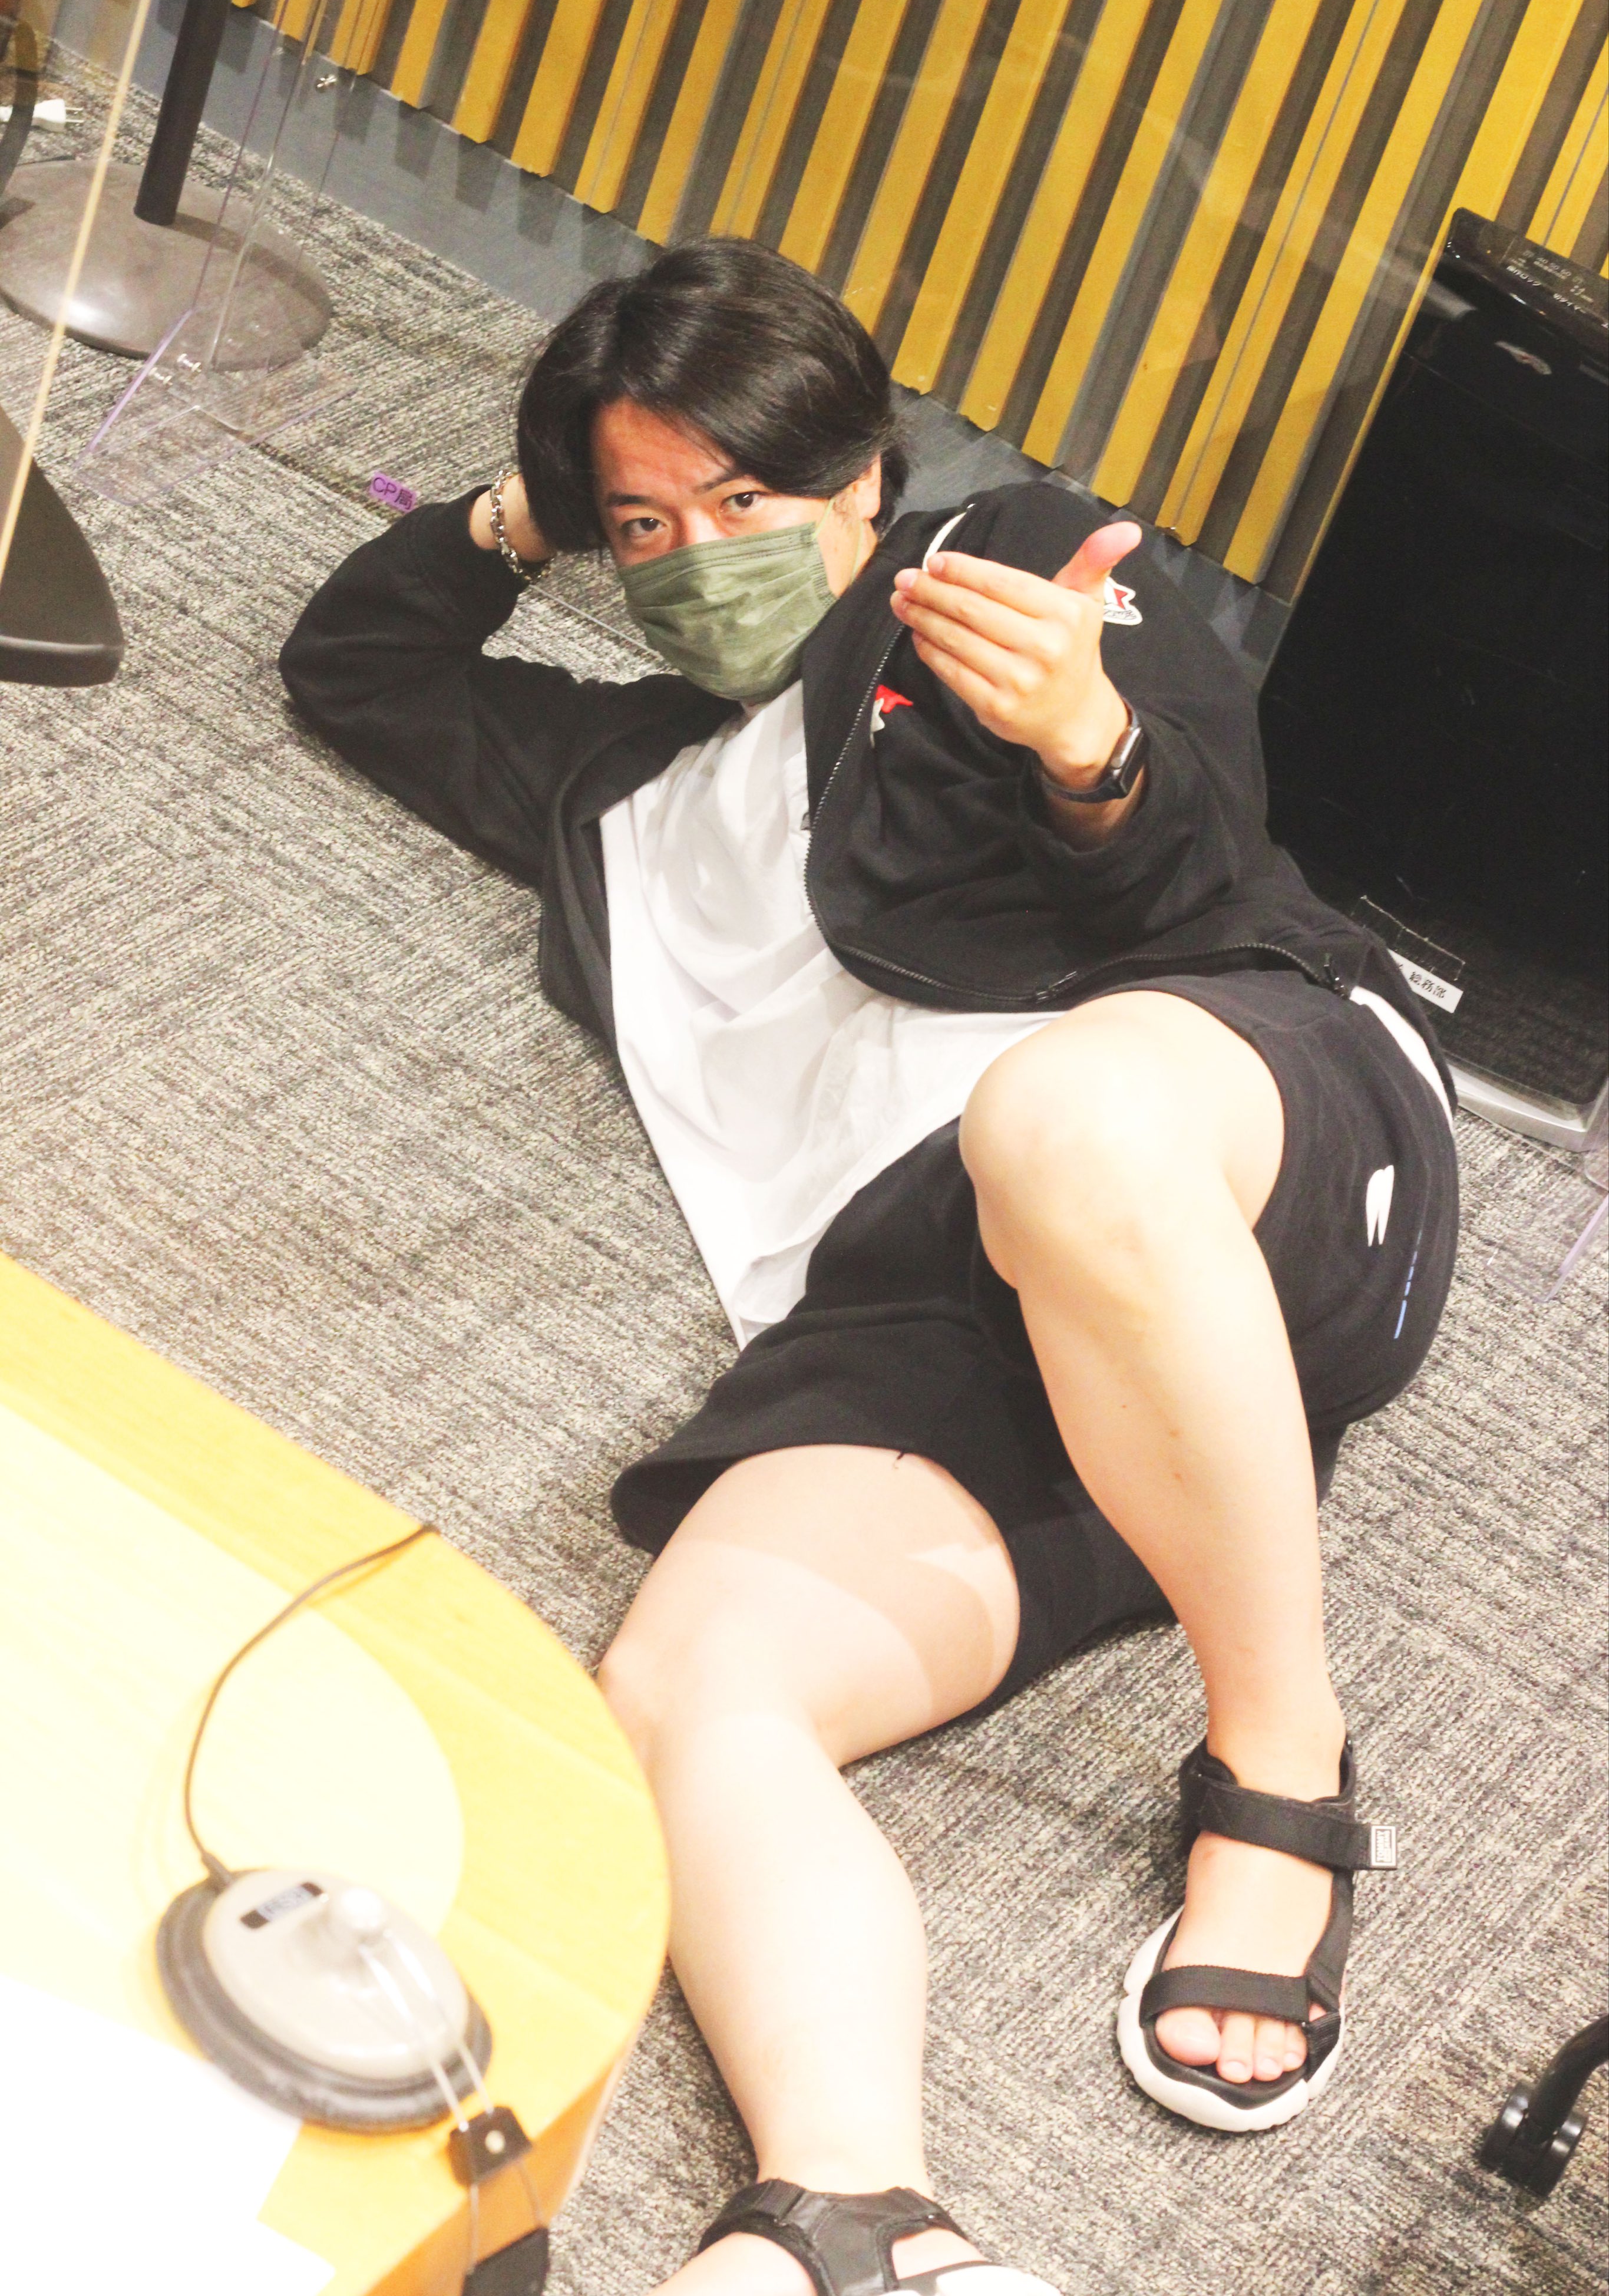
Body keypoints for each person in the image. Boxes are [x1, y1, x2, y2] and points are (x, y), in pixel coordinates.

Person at [282, 238, 1457, 2296]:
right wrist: (523, 514)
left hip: (1232, 1110)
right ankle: (855, 2217)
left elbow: (1200, 862)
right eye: (647, 526)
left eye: (745, 497)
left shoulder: (989, 578)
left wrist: (1089, 748)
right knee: (682, 1691)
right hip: (936, 1300)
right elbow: (358, 670)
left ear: (865, 478)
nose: (700, 554)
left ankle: (1279, 1758)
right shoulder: (620, 786)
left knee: (1061, 1125)